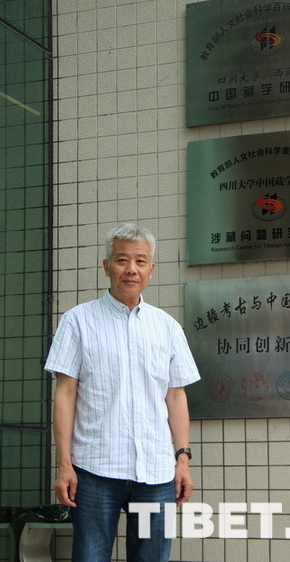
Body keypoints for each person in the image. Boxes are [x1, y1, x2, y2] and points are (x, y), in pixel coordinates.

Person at [45, 223, 200, 562]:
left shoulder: (168, 328)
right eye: (122, 260)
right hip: (94, 470)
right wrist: (64, 464)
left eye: (140, 261)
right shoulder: (77, 321)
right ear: (106, 266)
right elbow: (65, 395)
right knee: (90, 557)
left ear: (151, 269)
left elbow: (175, 397)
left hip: (157, 472)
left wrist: (183, 460)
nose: (131, 269)